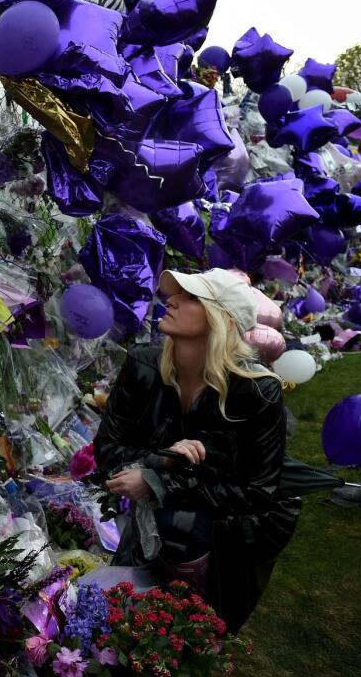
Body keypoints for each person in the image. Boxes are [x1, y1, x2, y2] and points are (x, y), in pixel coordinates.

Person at [94, 268, 300, 633]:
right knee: (123, 625)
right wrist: (162, 458)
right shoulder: (143, 365)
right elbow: (108, 451)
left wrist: (160, 479)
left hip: (226, 536)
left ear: (221, 319)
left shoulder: (256, 391)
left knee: (191, 631)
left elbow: (256, 491)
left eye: (190, 298)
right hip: (158, 525)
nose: (171, 300)